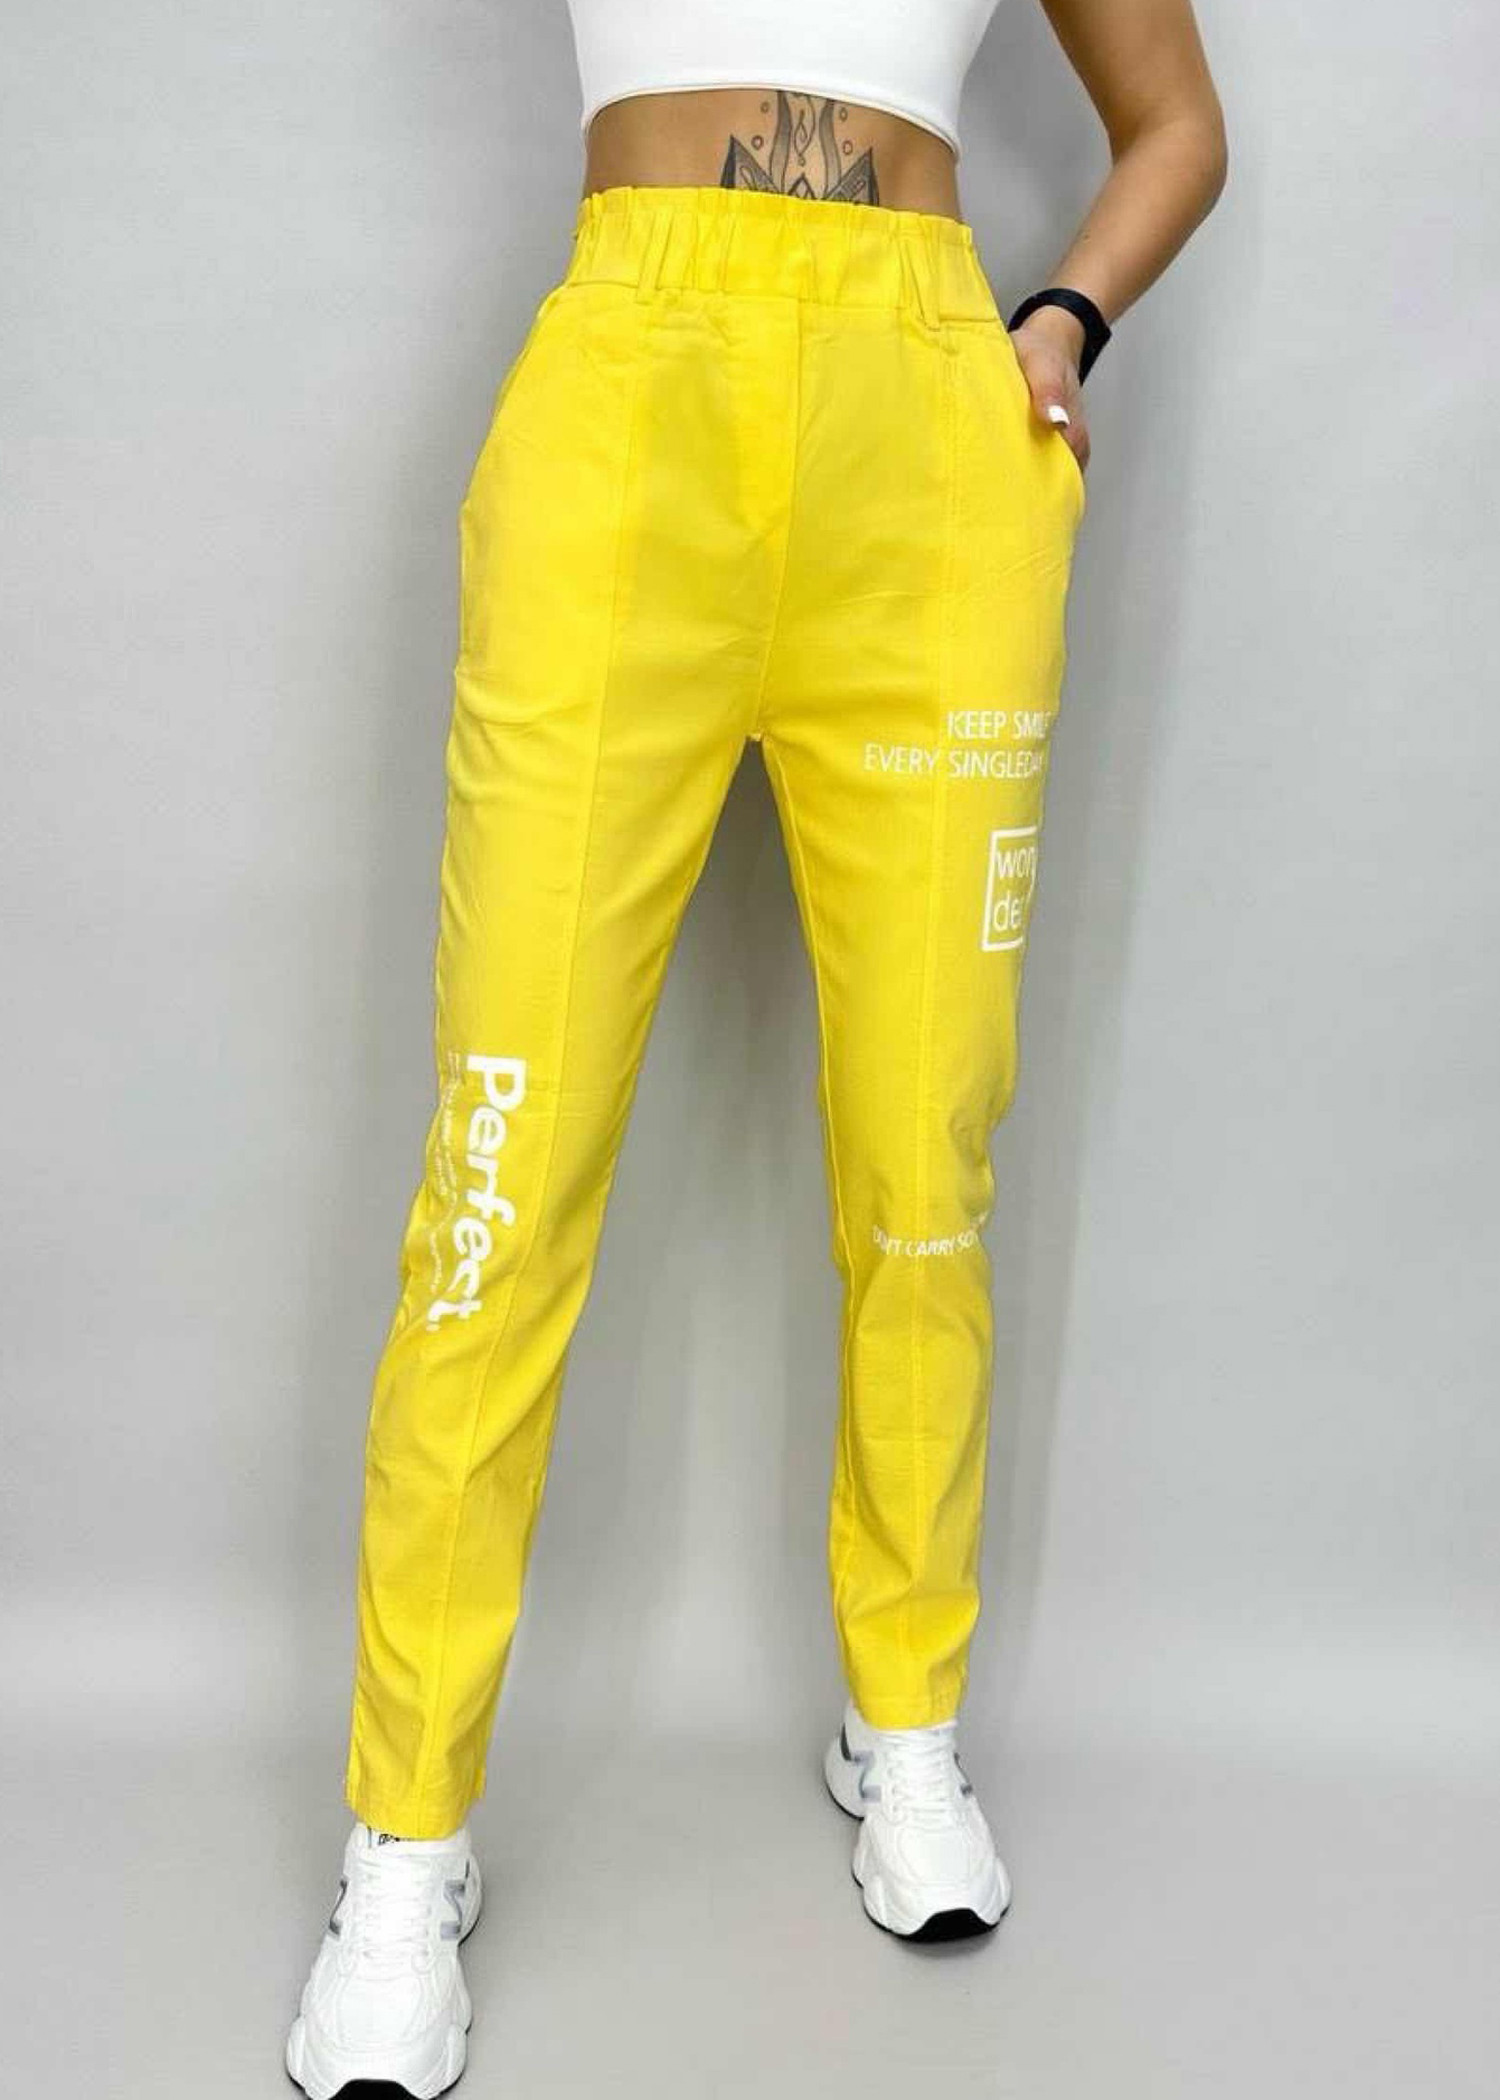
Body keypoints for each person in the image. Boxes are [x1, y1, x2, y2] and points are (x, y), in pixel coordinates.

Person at [285, 1, 1226, 2091]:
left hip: (927, 448)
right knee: (502, 1173)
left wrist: (1058, 322)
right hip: (635, 404)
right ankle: (405, 1837)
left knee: (923, 1158)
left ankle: (907, 1726)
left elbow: (1174, 123)